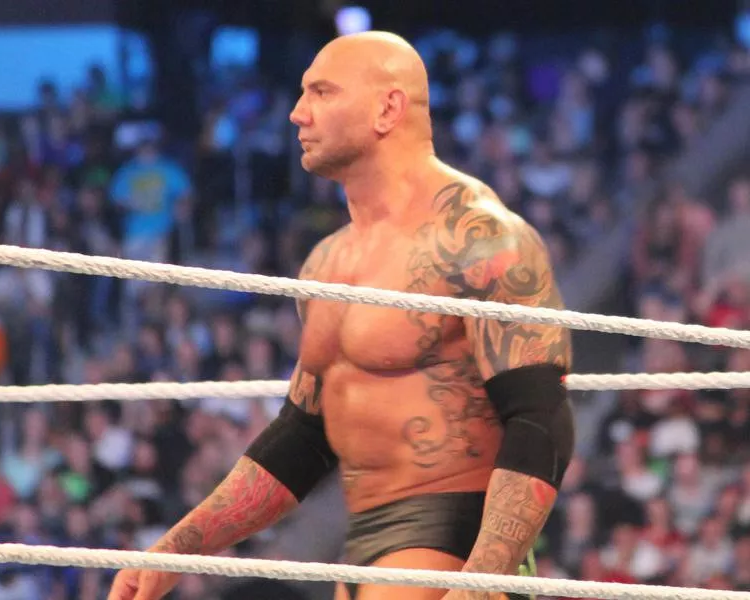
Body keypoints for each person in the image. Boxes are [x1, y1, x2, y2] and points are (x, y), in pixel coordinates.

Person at [108, 31, 575, 600]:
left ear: (388, 108)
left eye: (322, 92)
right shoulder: (328, 264)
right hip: (365, 544)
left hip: (453, 535)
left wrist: (482, 580)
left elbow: (539, 422)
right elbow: (302, 439)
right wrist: (173, 551)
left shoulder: (477, 238)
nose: (297, 112)